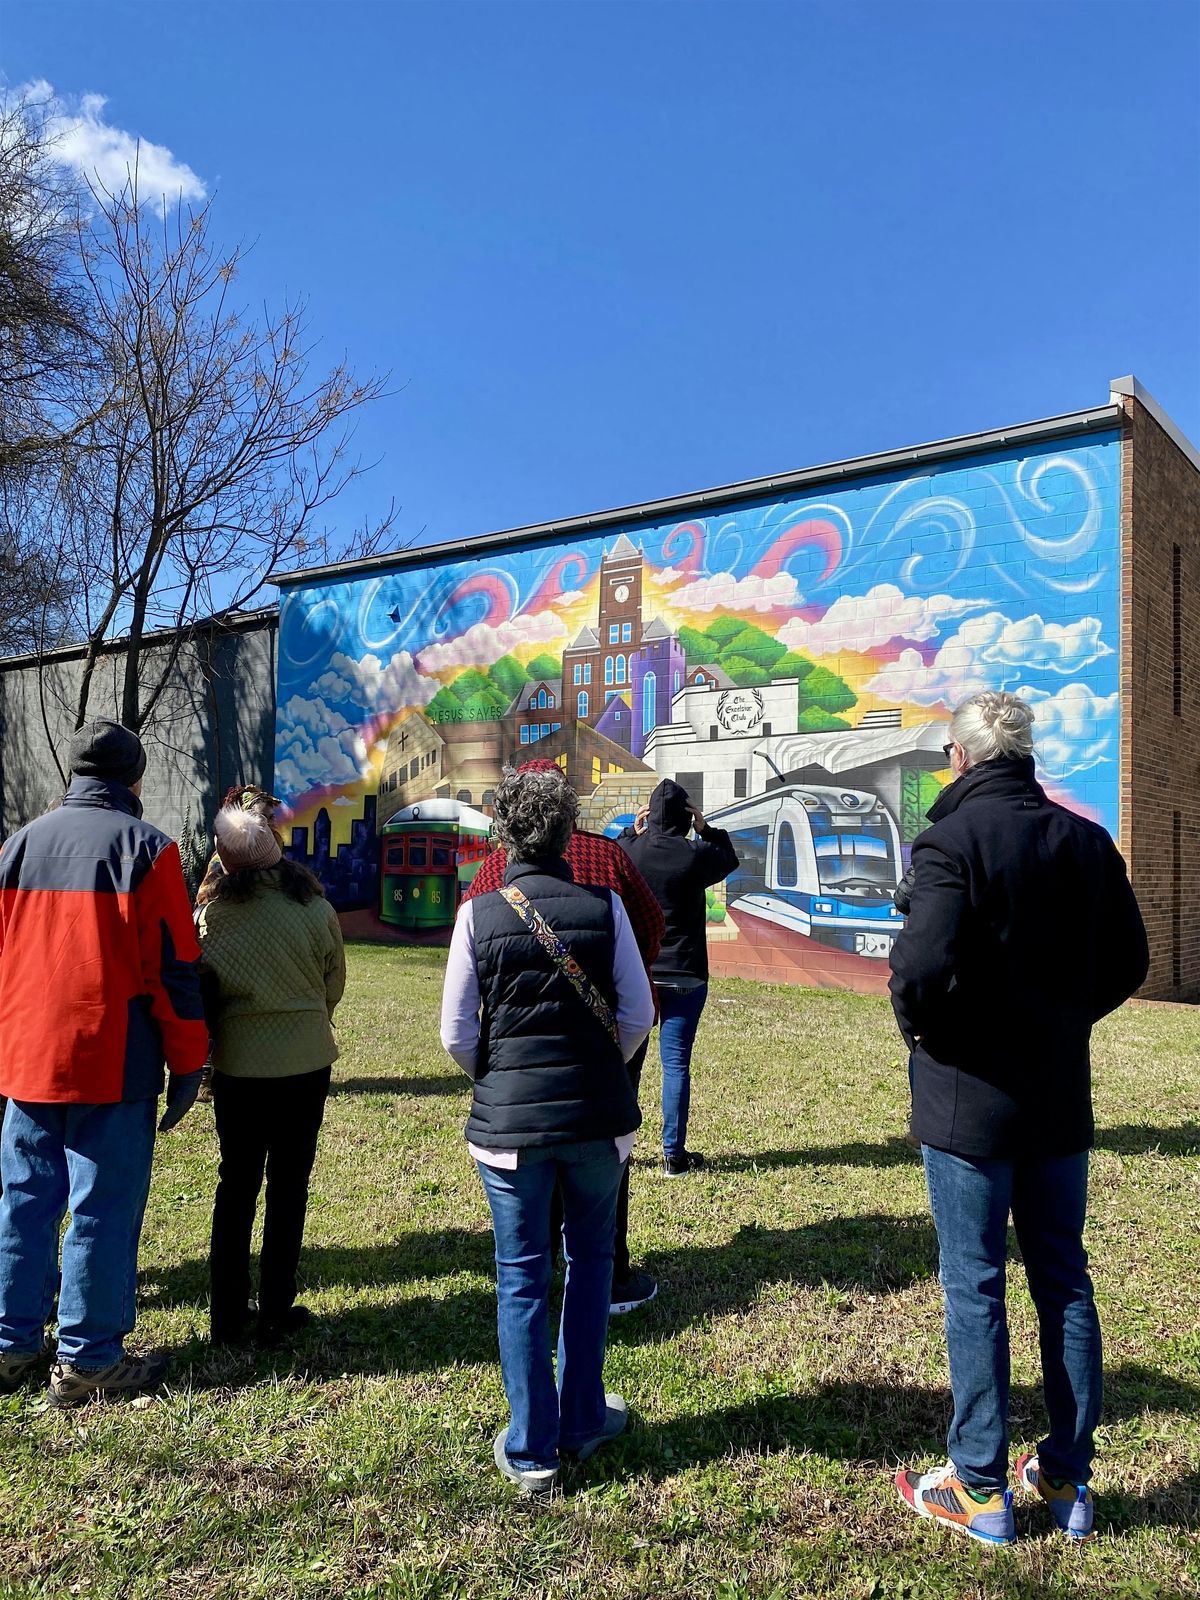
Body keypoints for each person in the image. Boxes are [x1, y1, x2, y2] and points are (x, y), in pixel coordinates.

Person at [890, 691, 1148, 1545]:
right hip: (1055, 1094)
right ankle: (1069, 1480)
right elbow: (1131, 960)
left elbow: (917, 968)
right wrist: (1063, 1017)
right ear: (1023, 755)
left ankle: (978, 1485)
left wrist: (927, 1030)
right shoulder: (1083, 840)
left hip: (968, 1097)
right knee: (1063, 1278)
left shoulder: (948, 840)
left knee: (976, 1286)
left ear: (959, 761)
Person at [441, 765, 655, 1497]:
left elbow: (454, 1033)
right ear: (569, 831)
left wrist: (497, 1077)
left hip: (509, 1130)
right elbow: (638, 1015)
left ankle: (532, 1449)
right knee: (592, 1264)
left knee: (520, 1276)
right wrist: (603, 1068)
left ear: (504, 831)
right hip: (599, 1123)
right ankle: (585, 1417)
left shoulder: (478, 913)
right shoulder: (606, 906)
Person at [0, 720, 209, 1408]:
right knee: (102, 1207)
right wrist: (190, 1063)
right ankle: (88, 1358)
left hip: (27, 1058)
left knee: (23, 1203)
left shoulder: (18, 846)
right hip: (111, 1061)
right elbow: (177, 971)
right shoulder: (148, 850)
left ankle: (12, 1343)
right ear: (134, 779)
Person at [466, 758, 665, 1315]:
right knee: (605, 1148)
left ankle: (540, 1270)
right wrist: (609, 999)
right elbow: (652, 927)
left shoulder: (491, 872)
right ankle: (611, 1273)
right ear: (568, 807)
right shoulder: (608, 855)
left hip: (519, 1046)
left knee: (531, 1153)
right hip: (609, 1032)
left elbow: (471, 957)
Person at [196, 803, 345, 1347]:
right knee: (289, 1187)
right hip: (306, 1063)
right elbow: (334, 981)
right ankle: (276, 1310)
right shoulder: (314, 909)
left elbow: (203, 993)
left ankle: (226, 1318)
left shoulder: (210, 920)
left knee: (235, 1188)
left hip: (240, 1067)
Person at [617, 779, 738, 1176]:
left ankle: (623, 1149)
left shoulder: (631, 851)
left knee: (629, 1063)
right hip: (685, 973)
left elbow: (613, 855)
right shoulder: (695, 854)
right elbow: (728, 856)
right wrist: (707, 830)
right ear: (688, 818)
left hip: (640, 974)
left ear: (648, 817)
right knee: (675, 1066)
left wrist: (631, 832)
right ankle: (673, 1155)